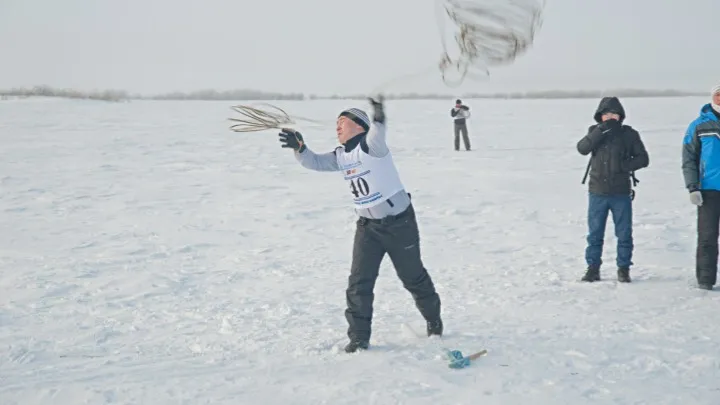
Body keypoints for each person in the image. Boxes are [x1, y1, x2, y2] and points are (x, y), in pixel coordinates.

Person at [278, 96, 443, 353]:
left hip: (399, 225)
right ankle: (358, 339)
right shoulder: (341, 156)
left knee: (412, 277)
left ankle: (434, 320)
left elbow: (379, 129)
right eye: (336, 123)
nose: (337, 127)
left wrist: (377, 113)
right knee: (359, 283)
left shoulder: (371, 146)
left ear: (360, 126)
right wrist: (299, 148)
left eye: (342, 122)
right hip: (368, 228)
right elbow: (315, 162)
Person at [576, 96, 649, 283]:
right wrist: (599, 131)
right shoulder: (595, 131)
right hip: (597, 192)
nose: (610, 117)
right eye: (606, 114)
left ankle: (623, 269)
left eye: (614, 114)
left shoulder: (629, 134)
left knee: (624, 233)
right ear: (600, 116)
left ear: (621, 116)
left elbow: (643, 159)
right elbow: (582, 148)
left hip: (620, 193)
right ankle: (593, 269)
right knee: (595, 233)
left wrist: (624, 166)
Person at [682, 85, 720, 290]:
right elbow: (689, 158)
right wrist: (692, 187)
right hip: (708, 191)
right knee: (707, 237)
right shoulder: (699, 125)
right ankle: (706, 280)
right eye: (718, 95)